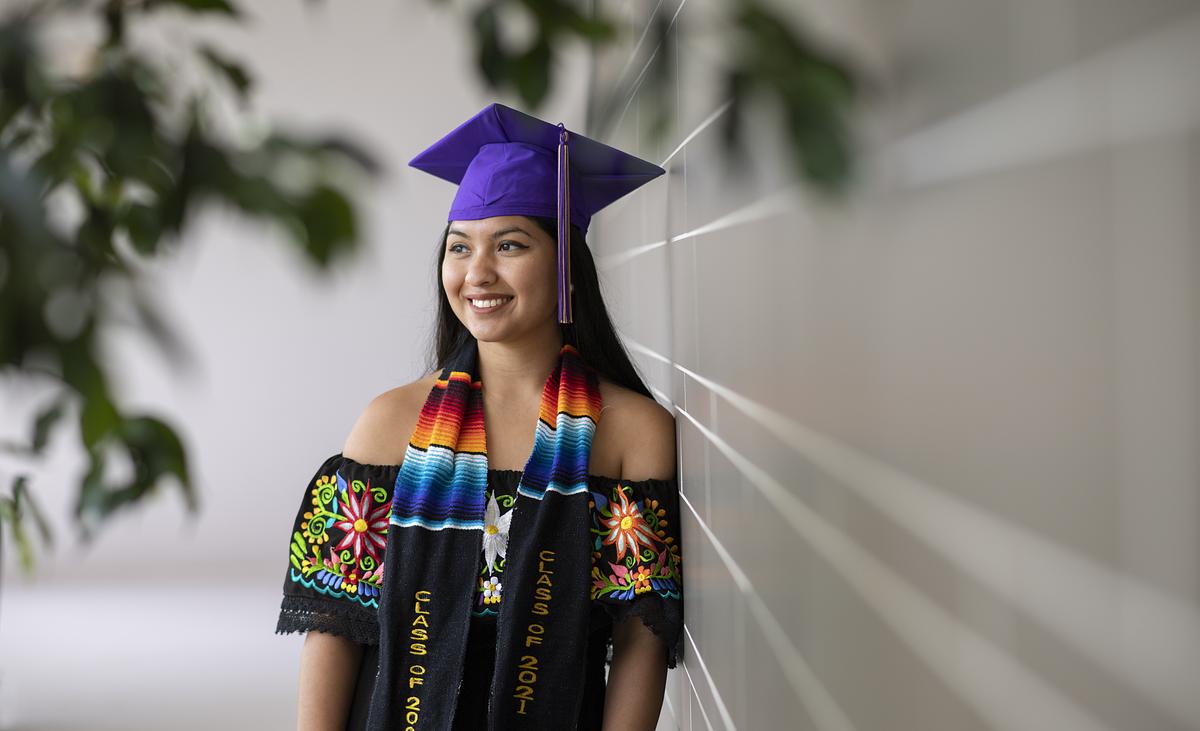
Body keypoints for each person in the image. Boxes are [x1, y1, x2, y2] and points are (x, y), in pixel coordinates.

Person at [275, 103, 684, 730]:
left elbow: (641, 642)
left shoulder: (632, 432)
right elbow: (335, 626)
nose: (477, 273)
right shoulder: (390, 425)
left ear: (566, 265)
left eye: (510, 245)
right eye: (459, 247)